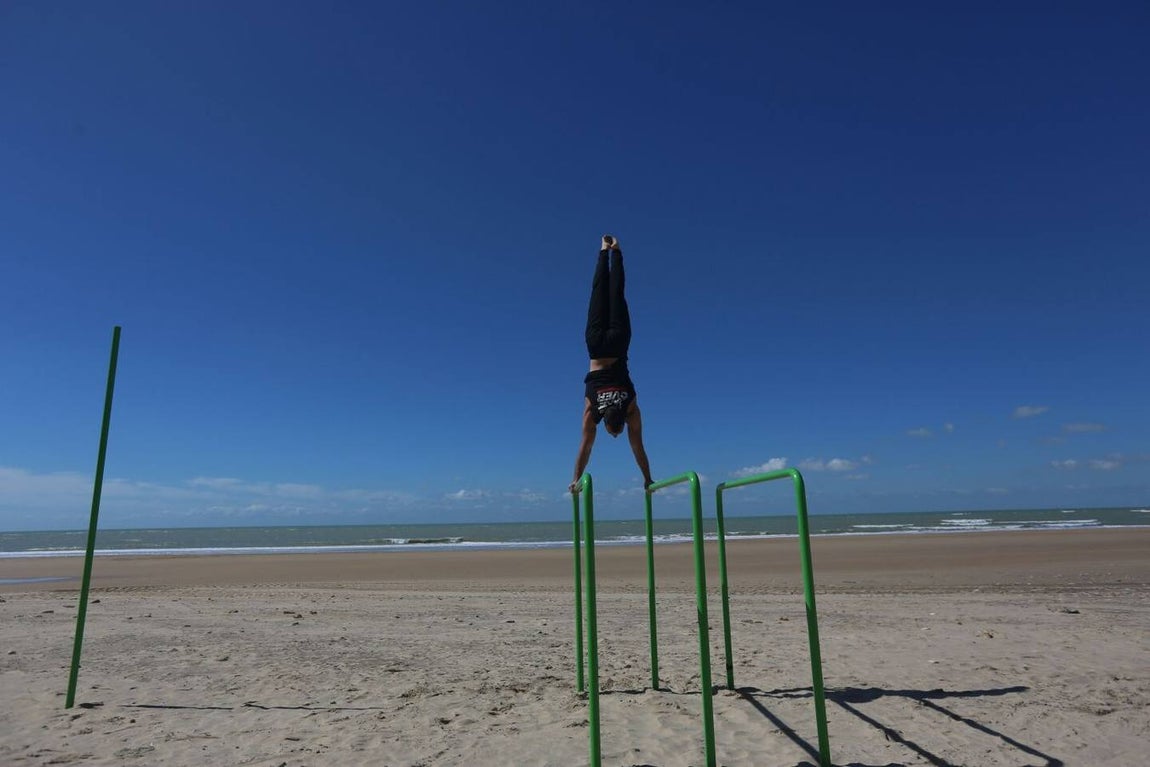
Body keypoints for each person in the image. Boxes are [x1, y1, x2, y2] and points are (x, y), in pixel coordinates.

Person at [569, 235, 653, 493]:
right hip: (595, 347)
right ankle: (603, 251)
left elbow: (637, 445)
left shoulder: (630, 408)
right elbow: (586, 446)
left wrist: (647, 477)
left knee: (616, 295)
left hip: (618, 345)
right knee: (598, 295)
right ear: (605, 420)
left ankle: (614, 251)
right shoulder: (591, 412)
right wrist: (575, 477)